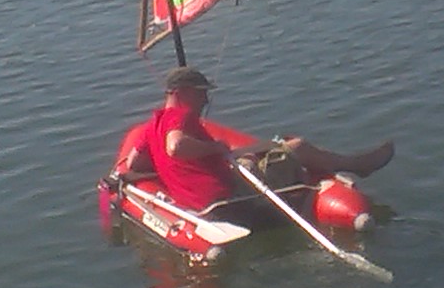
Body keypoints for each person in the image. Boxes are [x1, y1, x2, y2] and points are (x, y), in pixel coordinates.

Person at [118, 66, 393, 217]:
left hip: (201, 201)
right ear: (182, 92)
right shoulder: (180, 117)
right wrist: (214, 147)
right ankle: (357, 165)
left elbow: (133, 163)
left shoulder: (151, 126)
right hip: (227, 196)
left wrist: (167, 171)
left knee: (266, 149)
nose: (206, 100)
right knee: (295, 146)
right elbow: (175, 146)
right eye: (201, 93)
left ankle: (336, 166)